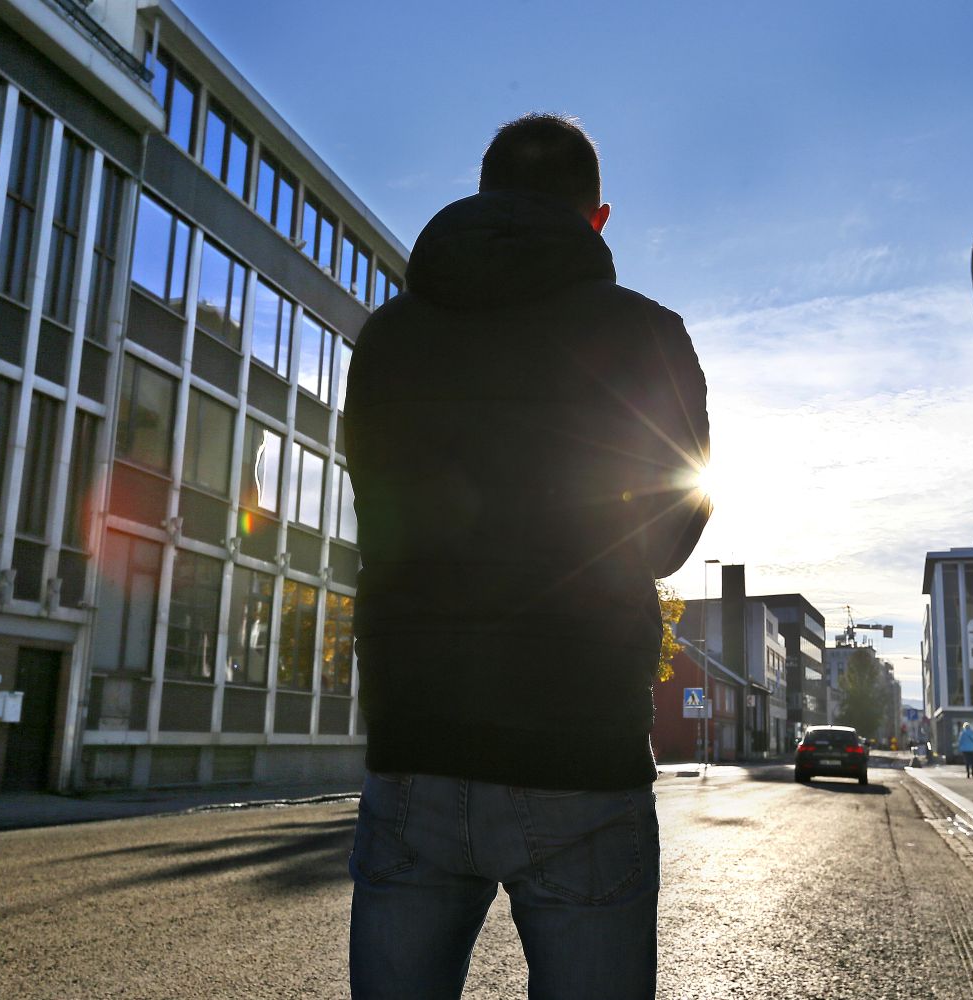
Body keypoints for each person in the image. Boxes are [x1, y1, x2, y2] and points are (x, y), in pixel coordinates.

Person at [344, 113, 711, 1000]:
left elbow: (380, 514)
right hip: (579, 751)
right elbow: (665, 541)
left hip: (416, 743)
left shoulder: (386, 336)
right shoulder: (647, 333)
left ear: (482, 197)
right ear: (598, 219)